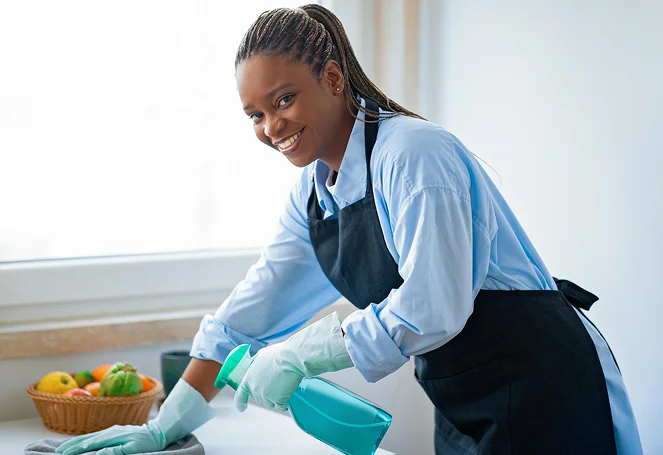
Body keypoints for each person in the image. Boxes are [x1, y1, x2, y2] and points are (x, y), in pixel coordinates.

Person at [57, 4, 643, 455]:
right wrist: (164, 427)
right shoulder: (315, 193)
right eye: (255, 115)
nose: (270, 127)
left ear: (334, 79)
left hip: (543, 382)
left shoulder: (415, 155)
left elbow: (434, 306)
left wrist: (304, 354)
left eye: (284, 99)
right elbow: (248, 315)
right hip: (465, 396)